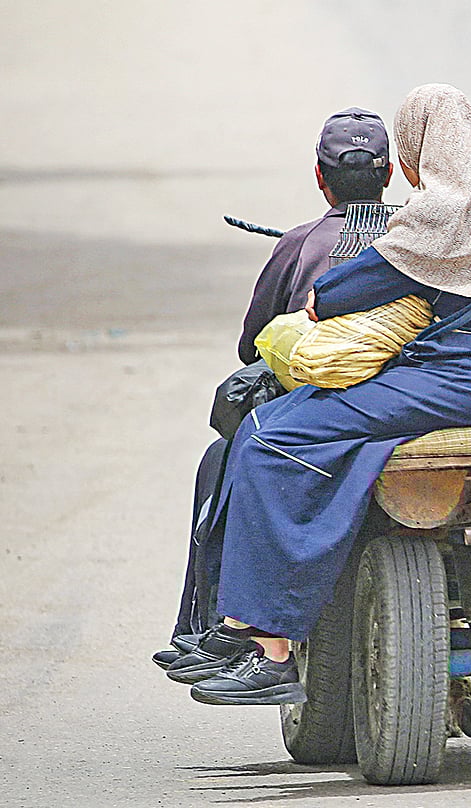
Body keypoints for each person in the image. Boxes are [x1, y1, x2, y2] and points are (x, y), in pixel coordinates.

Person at [164, 84, 471, 706]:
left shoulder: (446, 213)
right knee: (315, 431)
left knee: (270, 434)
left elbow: (338, 293)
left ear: (420, 150)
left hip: (466, 377)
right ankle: (247, 627)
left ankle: (268, 648)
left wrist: (332, 301)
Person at [152, 107, 394, 669]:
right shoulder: (421, 237)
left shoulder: (301, 242)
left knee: (227, 453)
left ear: (319, 176)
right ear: (389, 175)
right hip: (405, 399)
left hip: (320, 413)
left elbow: (252, 346)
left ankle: (213, 626)